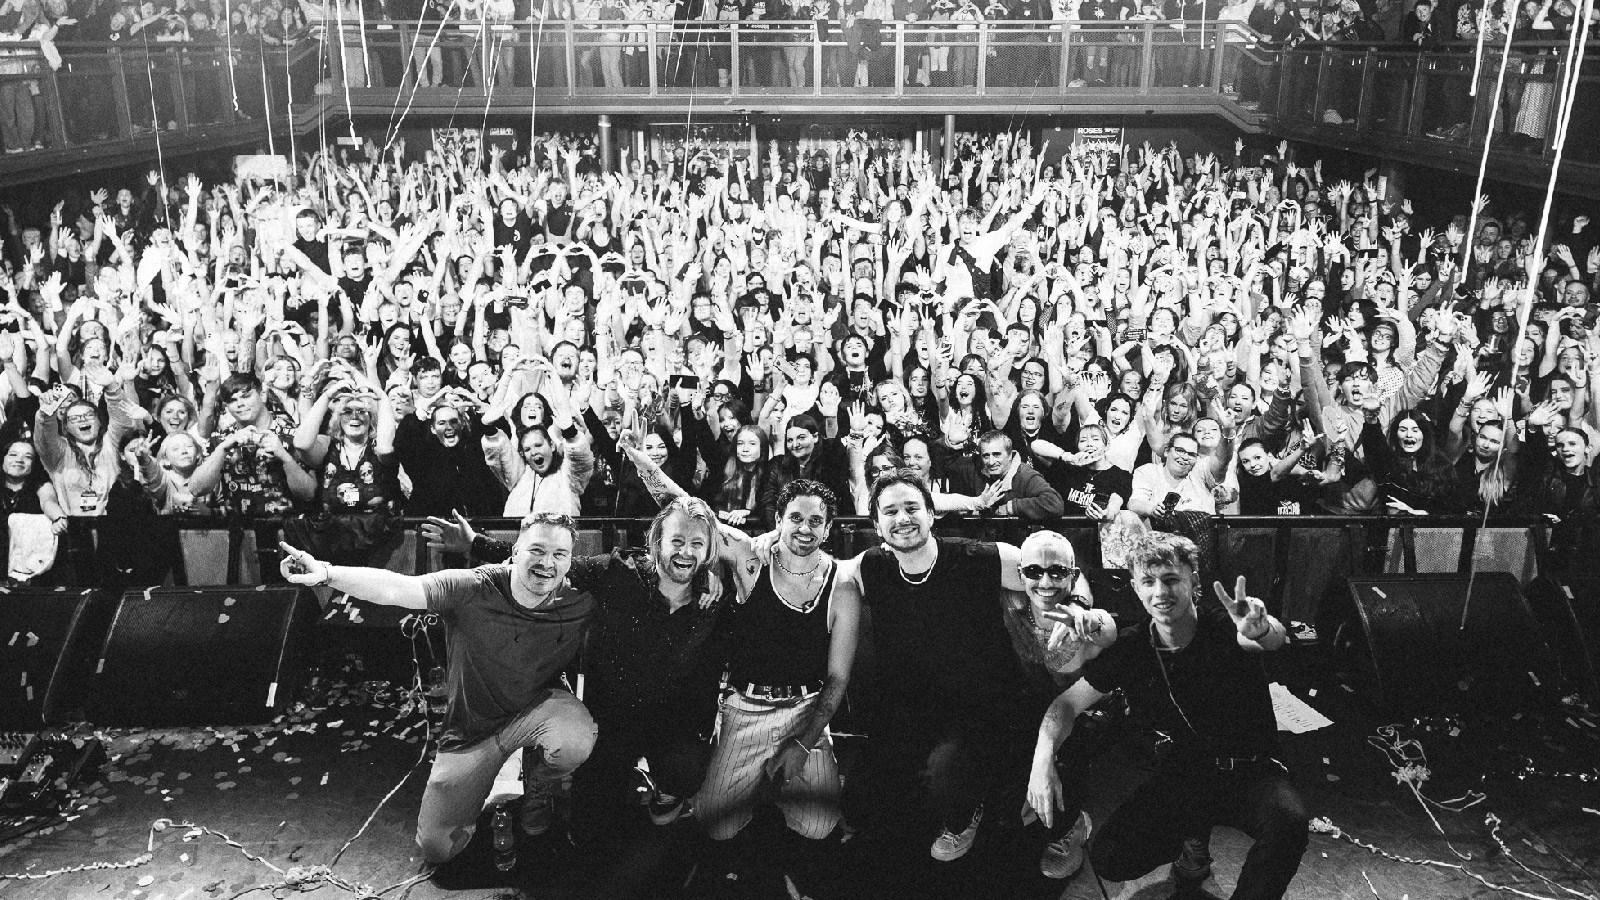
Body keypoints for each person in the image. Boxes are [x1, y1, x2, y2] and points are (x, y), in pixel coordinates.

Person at [277, 513, 599, 866]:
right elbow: (397, 588)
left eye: (559, 554)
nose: (547, 563)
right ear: (515, 550)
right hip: (474, 728)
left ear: (570, 560)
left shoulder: (580, 598)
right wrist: (326, 573)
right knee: (437, 848)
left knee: (574, 739)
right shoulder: (473, 587)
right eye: (537, 550)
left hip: (537, 712)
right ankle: (492, 774)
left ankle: (539, 782)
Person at [1031, 532, 1308, 900]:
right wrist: (1043, 758)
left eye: (1171, 579)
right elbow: (1065, 705)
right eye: (1148, 581)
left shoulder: (1225, 626)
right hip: (1188, 772)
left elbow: (1266, 638)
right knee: (1111, 858)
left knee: (1288, 822)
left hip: (1252, 770)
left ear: (1194, 581)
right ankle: (1192, 837)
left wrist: (1263, 627)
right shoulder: (1134, 646)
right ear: (1136, 588)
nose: (1160, 591)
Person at [692, 478, 862, 896]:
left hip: (805, 708)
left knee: (819, 825)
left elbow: (838, 678)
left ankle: (776, 796)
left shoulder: (841, 584)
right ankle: (757, 793)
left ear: (828, 528)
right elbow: (693, 512)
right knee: (716, 824)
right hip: (745, 706)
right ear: (779, 520)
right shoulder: (752, 559)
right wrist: (636, 456)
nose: (805, 528)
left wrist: (803, 744)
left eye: (816, 521)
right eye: (796, 518)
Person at [1004, 530, 1115, 880]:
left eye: (1057, 572)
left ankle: (1073, 828)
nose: (1045, 582)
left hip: (1090, 707)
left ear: (1073, 575)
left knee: (1072, 748)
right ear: (1020, 574)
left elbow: (1108, 628)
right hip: (1039, 701)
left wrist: (1088, 616)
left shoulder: (1082, 616)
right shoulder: (1011, 604)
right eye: (1034, 572)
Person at [974, 430, 1065, 518]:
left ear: (1010, 455)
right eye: (986, 456)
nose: (991, 462)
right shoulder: (979, 474)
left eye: (996, 454)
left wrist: (1012, 507)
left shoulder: (1025, 476)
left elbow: (1055, 504)